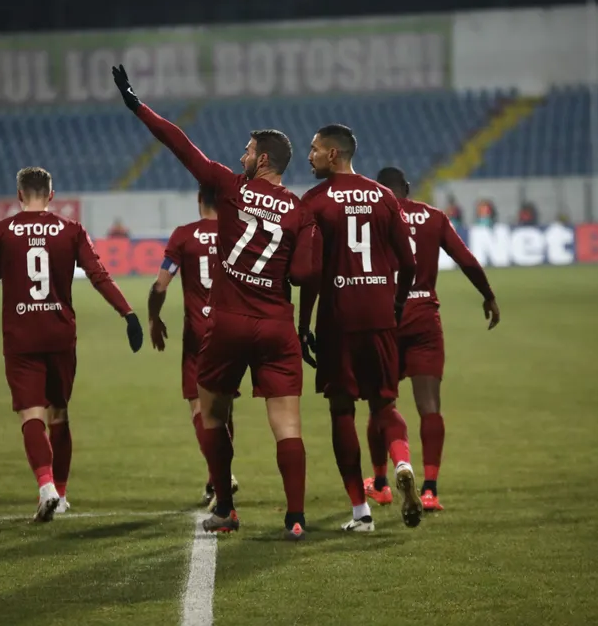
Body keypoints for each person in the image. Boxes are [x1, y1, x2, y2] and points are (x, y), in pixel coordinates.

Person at [114, 64, 319, 539]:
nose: (240, 155)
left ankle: (225, 507)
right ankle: (295, 518)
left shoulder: (229, 187)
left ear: (262, 158)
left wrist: (137, 105)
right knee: (287, 424)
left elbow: (180, 144)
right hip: (276, 324)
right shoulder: (300, 210)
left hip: (226, 322)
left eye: (247, 150)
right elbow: (306, 274)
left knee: (212, 414)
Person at [0, 166, 143, 522]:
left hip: (21, 337)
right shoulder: (71, 229)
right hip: (60, 335)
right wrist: (127, 312)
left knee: (31, 413)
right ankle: (62, 495)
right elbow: (99, 275)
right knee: (60, 413)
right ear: (51, 195)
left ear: (19, 194)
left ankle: (46, 486)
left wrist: (8, 261)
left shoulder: (3, 230)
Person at [298, 125, 421, 532]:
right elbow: (409, 263)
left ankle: (360, 512)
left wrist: (303, 323)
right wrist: (396, 304)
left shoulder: (315, 201)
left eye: (315, 149)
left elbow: (310, 272)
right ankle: (402, 463)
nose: (310, 156)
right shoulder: (384, 197)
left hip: (338, 319)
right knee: (385, 405)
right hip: (380, 315)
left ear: (333, 154)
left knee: (341, 410)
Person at [367, 167, 500, 511]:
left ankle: (381, 483)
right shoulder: (433, 217)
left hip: (386, 318)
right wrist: (488, 295)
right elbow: (466, 259)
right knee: (429, 406)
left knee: (381, 405)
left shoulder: (371, 218)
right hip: (425, 317)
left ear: (377, 191)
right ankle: (430, 490)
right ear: (408, 188)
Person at [149, 184, 239, 509]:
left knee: (201, 409)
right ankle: (216, 479)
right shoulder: (237, 233)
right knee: (223, 408)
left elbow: (161, 285)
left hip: (199, 333)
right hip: (234, 329)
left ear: (200, 200)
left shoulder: (184, 235)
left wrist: (154, 318)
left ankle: (221, 476)